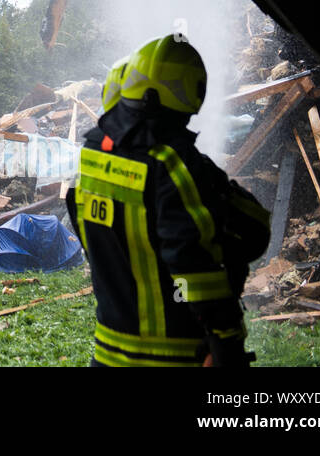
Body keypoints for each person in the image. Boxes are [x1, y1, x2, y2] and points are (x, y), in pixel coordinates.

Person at [67, 35, 271, 367]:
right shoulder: (172, 164)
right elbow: (195, 264)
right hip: (172, 357)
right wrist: (226, 337)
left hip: (108, 354)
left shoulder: (93, 155)